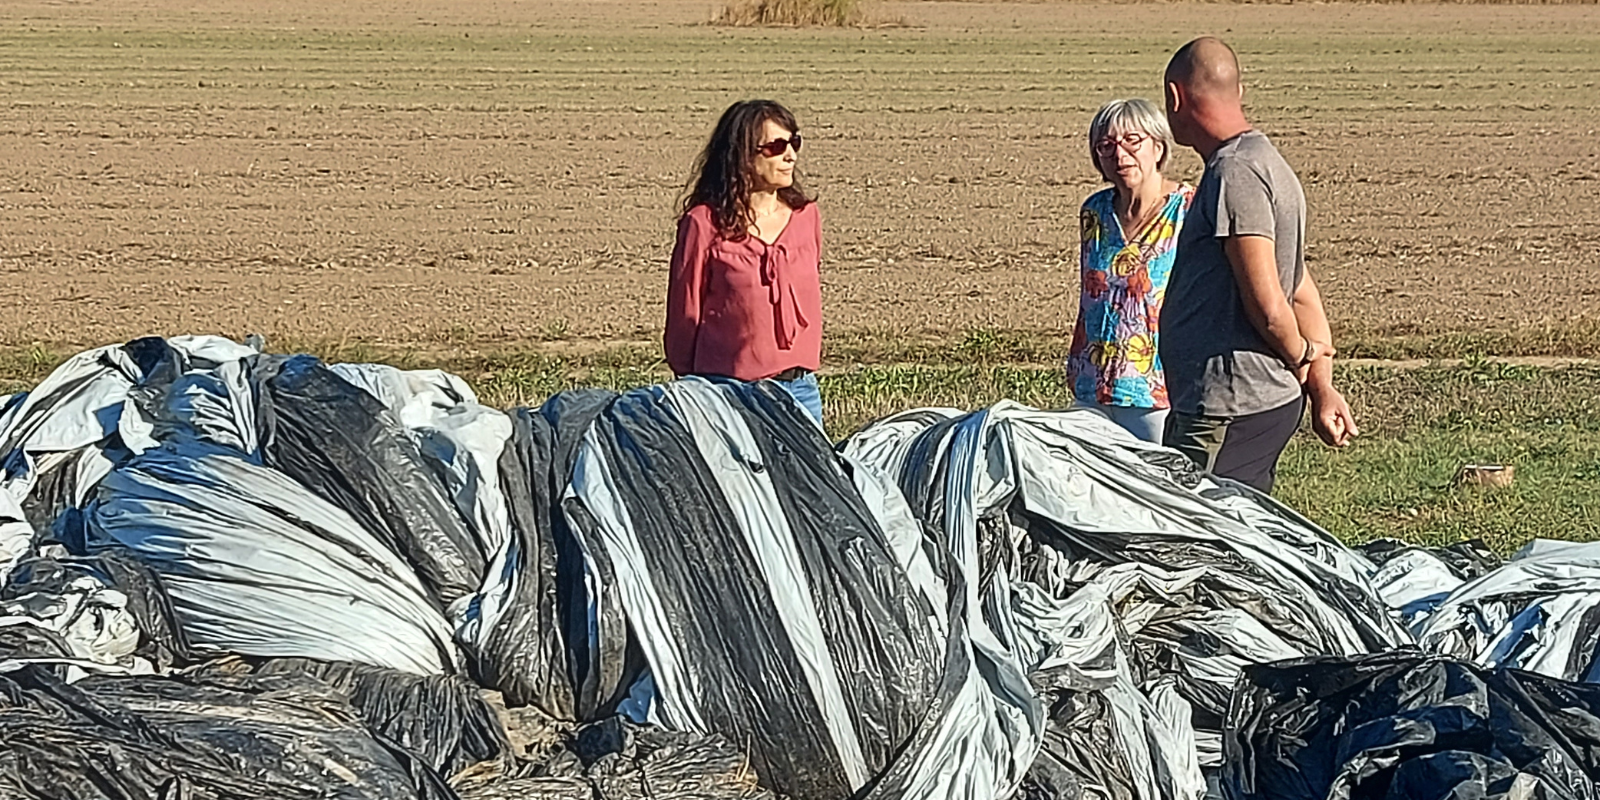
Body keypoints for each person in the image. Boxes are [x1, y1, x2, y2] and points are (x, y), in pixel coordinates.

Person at [1158, 37, 1358, 493]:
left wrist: (1304, 358)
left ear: (1175, 97)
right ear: (1239, 92)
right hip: (1243, 404)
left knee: (1208, 543)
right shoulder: (1263, 162)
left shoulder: (1236, 173)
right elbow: (1301, 286)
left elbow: (1270, 304)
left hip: (1230, 407)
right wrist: (1320, 386)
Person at [665, 100, 824, 425]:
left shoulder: (806, 217)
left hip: (800, 391)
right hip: (726, 395)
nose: (790, 155)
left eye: (794, 143)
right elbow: (685, 314)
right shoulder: (703, 224)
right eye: (776, 147)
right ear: (742, 155)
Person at [1066, 98, 1195, 443]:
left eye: (1132, 141)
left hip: (1156, 390)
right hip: (1091, 384)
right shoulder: (1094, 211)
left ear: (1158, 146)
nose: (1120, 154)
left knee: (1158, 488)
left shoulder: (1189, 208)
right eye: (1106, 145)